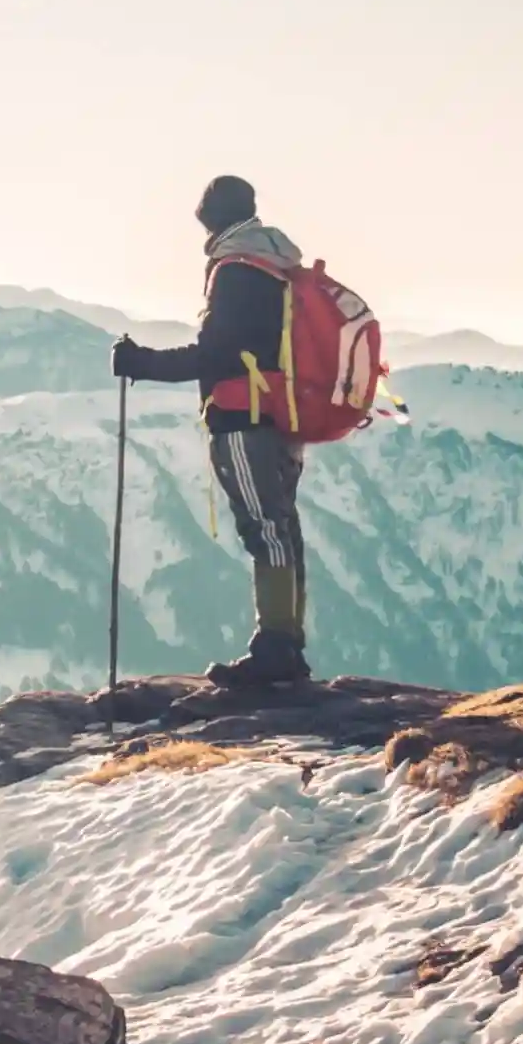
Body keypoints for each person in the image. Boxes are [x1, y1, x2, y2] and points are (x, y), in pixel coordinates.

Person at [112, 175, 311, 688]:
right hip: (282, 413)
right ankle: (287, 644)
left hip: (244, 417)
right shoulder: (275, 265)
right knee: (281, 524)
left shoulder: (236, 270)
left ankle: (275, 649)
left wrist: (142, 363)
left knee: (264, 527)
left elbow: (217, 354)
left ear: (210, 217)